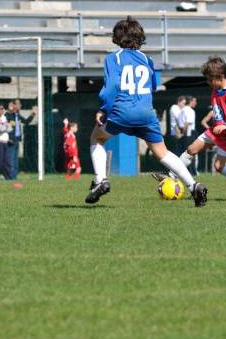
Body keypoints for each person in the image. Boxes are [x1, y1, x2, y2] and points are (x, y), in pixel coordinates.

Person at [85, 17, 208, 206]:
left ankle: (101, 180)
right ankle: (194, 186)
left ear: (117, 37)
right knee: (162, 152)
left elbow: (111, 87)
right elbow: (152, 86)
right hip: (145, 112)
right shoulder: (147, 59)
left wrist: (104, 109)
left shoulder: (113, 58)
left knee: (97, 138)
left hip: (122, 110)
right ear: (140, 37)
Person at [156, 56, 226, 200]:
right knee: (192, 149)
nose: (208, 83)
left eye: (209, 79)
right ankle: (172, 175)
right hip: (216, 130)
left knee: (219, 166)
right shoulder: (216, 89)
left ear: (220, 77)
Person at [5, 99, 36, 180]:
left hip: (16, 141)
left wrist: (33, 114)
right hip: (10, 141)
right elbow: (5, 124)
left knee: (15, 161)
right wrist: (9, 110)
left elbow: (26, 121)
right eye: (18, 104)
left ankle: (14, 177)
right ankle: (9, 177)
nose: (20, 106)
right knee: (10, 160)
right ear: (13, 105)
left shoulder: (17, 115)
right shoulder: (8, 115)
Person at [177, 96, 197, 174]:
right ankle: (192, 171)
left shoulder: (182, 110)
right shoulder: (190, 110)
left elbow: (179, 123)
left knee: (184, 153)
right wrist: (183, 133)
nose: (195, 103)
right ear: (190, 101)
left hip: (184, 133)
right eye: (194, 101)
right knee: (191, 153)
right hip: (189, 133)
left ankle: (186, 171)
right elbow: (187, 123)